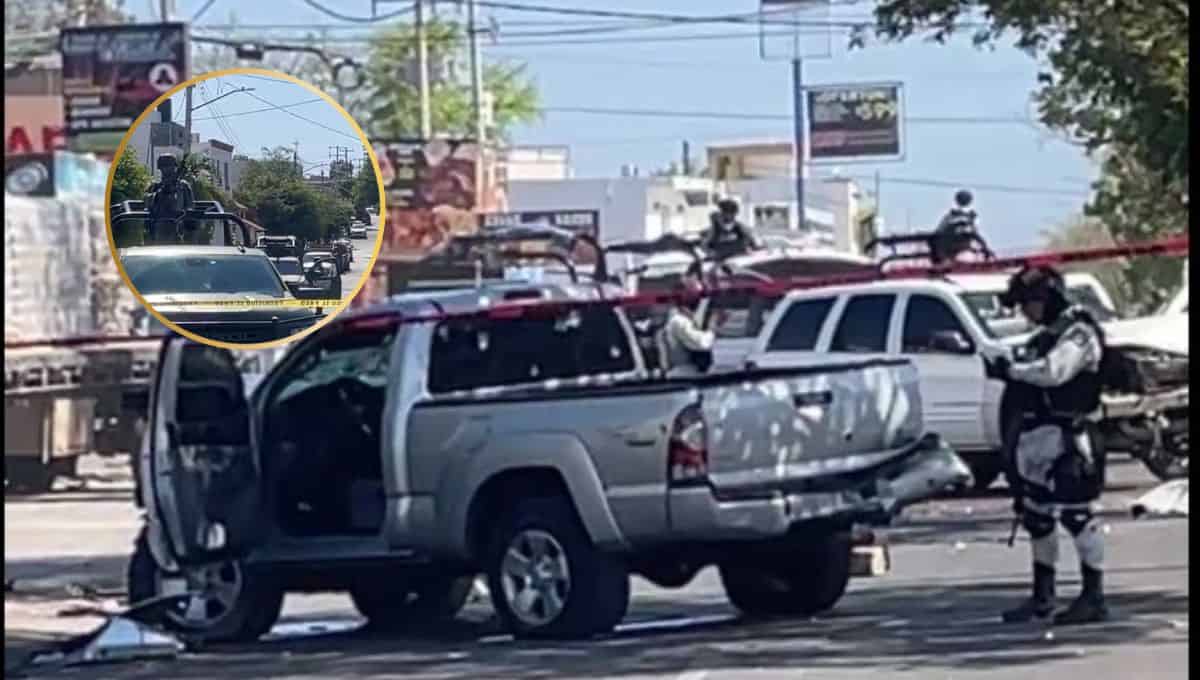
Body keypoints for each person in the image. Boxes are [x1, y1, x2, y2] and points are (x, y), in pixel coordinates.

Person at [985, 265, 1110, 626]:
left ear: (1047, 298)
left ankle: (1093, 596)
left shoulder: (1079, 333)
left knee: (1078, 516)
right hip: (1039, 437)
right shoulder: (1047, 334)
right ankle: (1043, 596)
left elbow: (1054, 372)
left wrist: (1012, 371)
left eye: (1028, 303)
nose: (1025, 311)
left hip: (1072, 439)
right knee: (1037, 516)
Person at [656, 267, 715, 377]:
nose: (697, 294)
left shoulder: (685, 317)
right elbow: (702, 343)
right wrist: (712, 329)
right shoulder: (678, 321)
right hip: (684, 375)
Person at [144, 154, 195, 244]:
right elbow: (146, 202)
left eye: (169, 166)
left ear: (174, 167)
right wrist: (160, 193)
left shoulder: (183, 186)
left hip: (178, 226)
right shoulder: (154, 186)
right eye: (164, 166)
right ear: (160, 168)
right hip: (158, 226)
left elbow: (190, 207)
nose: (167, 169)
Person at [931, 189, 980, 264]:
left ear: (956, 200)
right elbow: (975, 230)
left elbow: (940, 229)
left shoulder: (951, 215)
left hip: (951, 247)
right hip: (964, 246)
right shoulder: (973, 216)